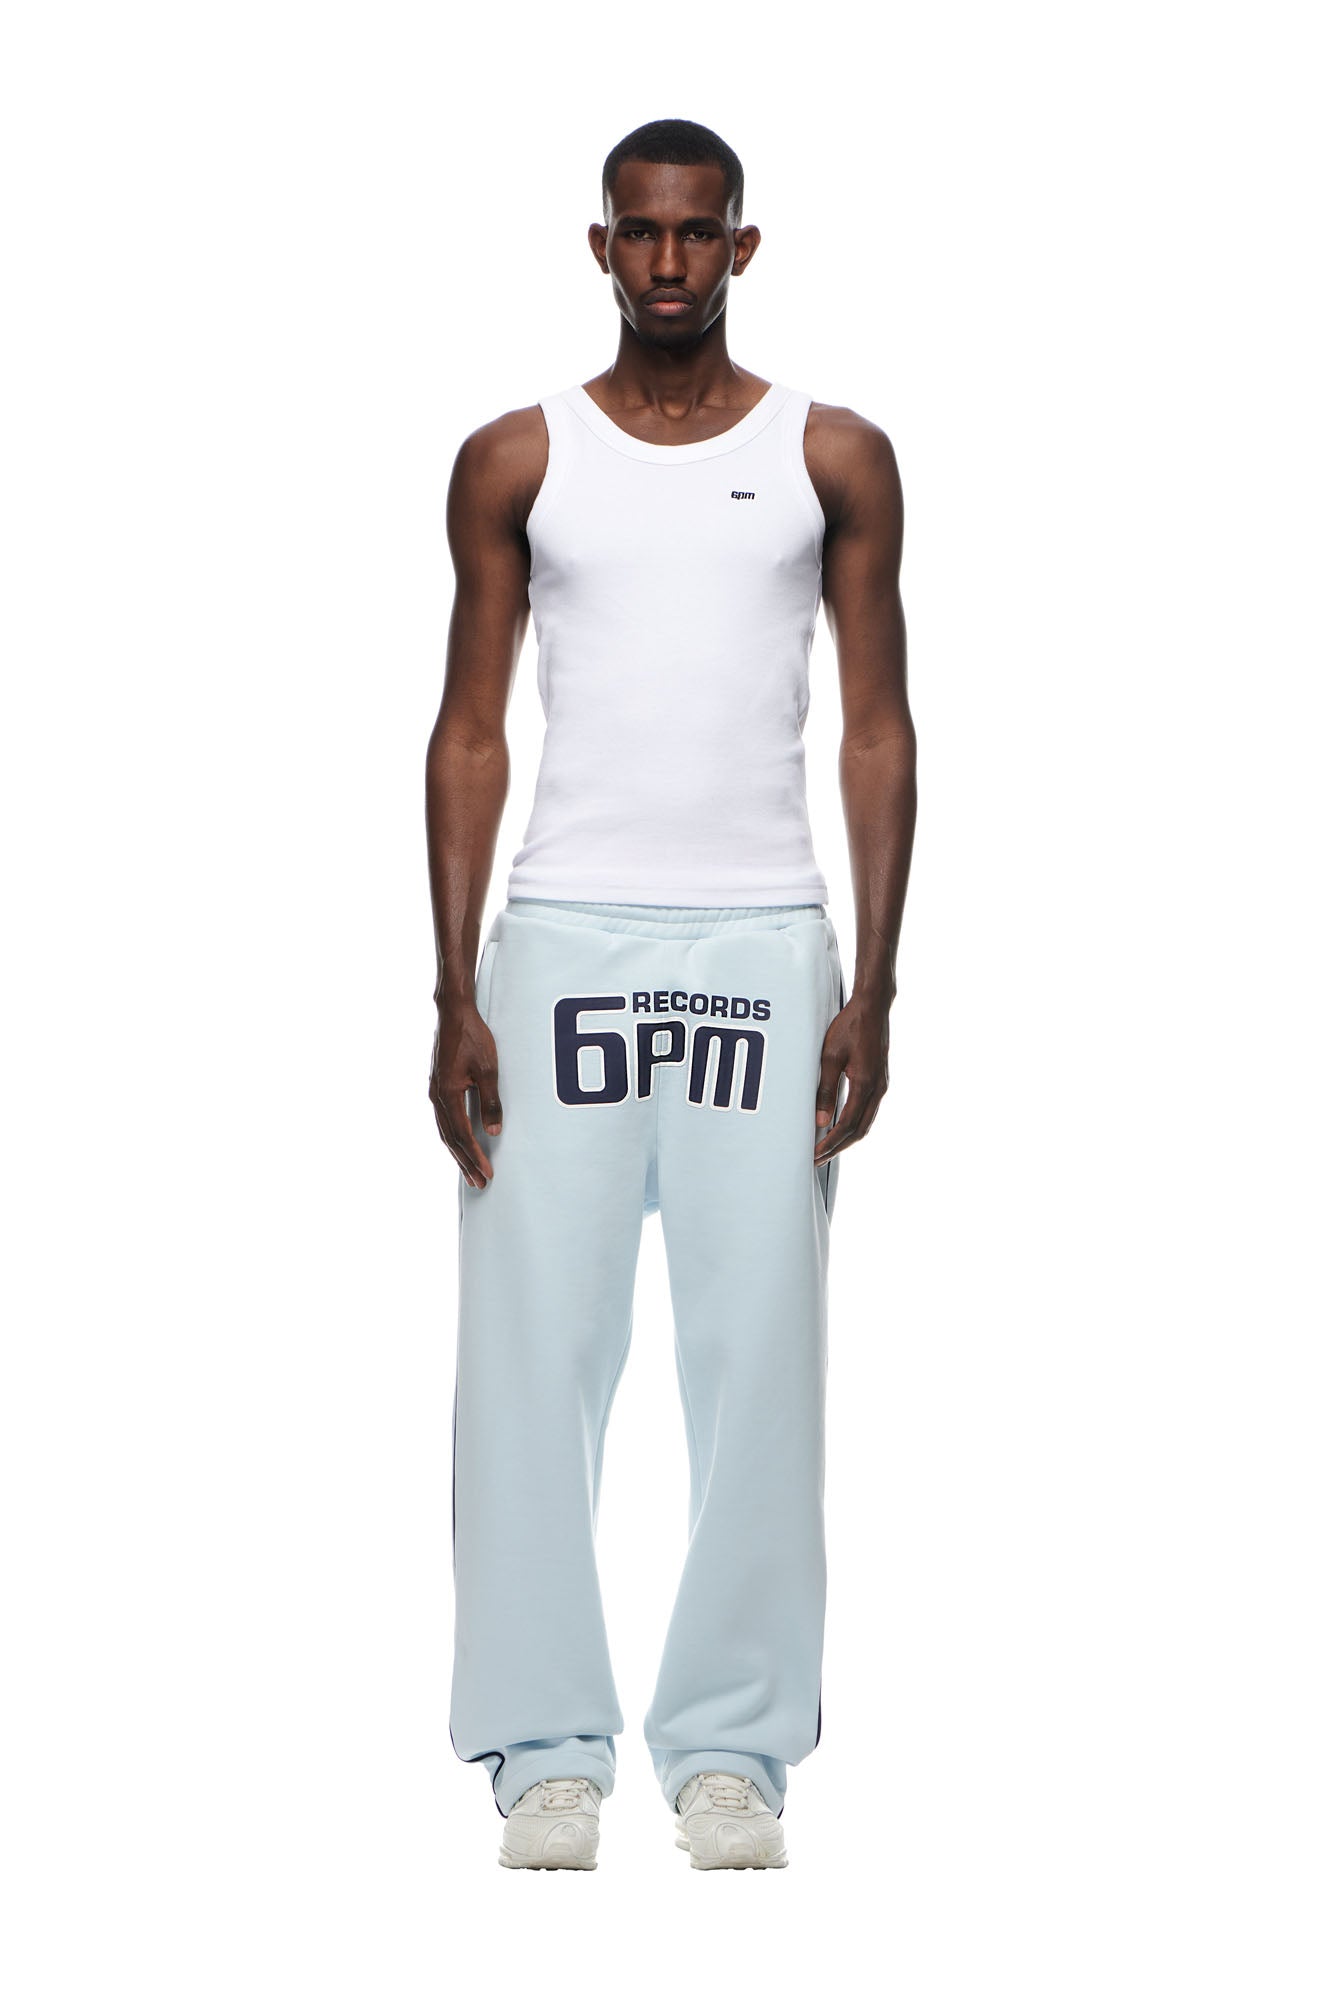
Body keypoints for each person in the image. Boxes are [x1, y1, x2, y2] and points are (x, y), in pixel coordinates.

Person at [425, 117, 915, 1871]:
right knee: (529, 1358)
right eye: (640, 233)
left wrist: (875, 979)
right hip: (562, 936)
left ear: (743, 247)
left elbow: (877, 729)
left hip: (762, 941)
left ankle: (733, 1755)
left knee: (759, 1357)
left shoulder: (830, 455)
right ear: (600, 245)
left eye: (698, 234)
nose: (667, 263)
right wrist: (454, 985)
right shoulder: (519, 458)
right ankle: (544, 1753)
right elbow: (470, 729)